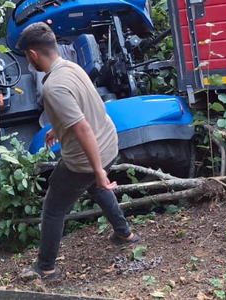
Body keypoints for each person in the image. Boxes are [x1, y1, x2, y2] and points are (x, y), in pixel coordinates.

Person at [17, 22, 139, 281]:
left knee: (53, 206)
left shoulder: (53, 87)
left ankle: (46, 267)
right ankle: (125, 234)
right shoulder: (70, 67)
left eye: (28, 57)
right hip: (109, 143)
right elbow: (80, 107)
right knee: (97, 187)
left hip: (86, 157)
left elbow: (82, 128)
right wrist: (57, 128)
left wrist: (96, 171)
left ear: (33, 54)